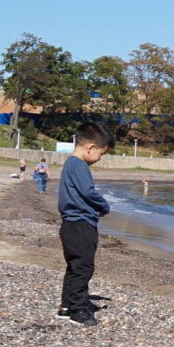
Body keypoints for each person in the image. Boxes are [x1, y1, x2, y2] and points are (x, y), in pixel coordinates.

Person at [55, 123, 114, 326]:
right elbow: (88, 192)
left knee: (74, 266)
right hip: (81, 223)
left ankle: (66, 306)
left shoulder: (70, 164)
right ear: (90, 147)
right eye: (101, 154)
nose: (98, 159)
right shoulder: (79, 165)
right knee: (84, 267)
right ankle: (77, 309)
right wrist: (104, 206)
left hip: (71, 223)